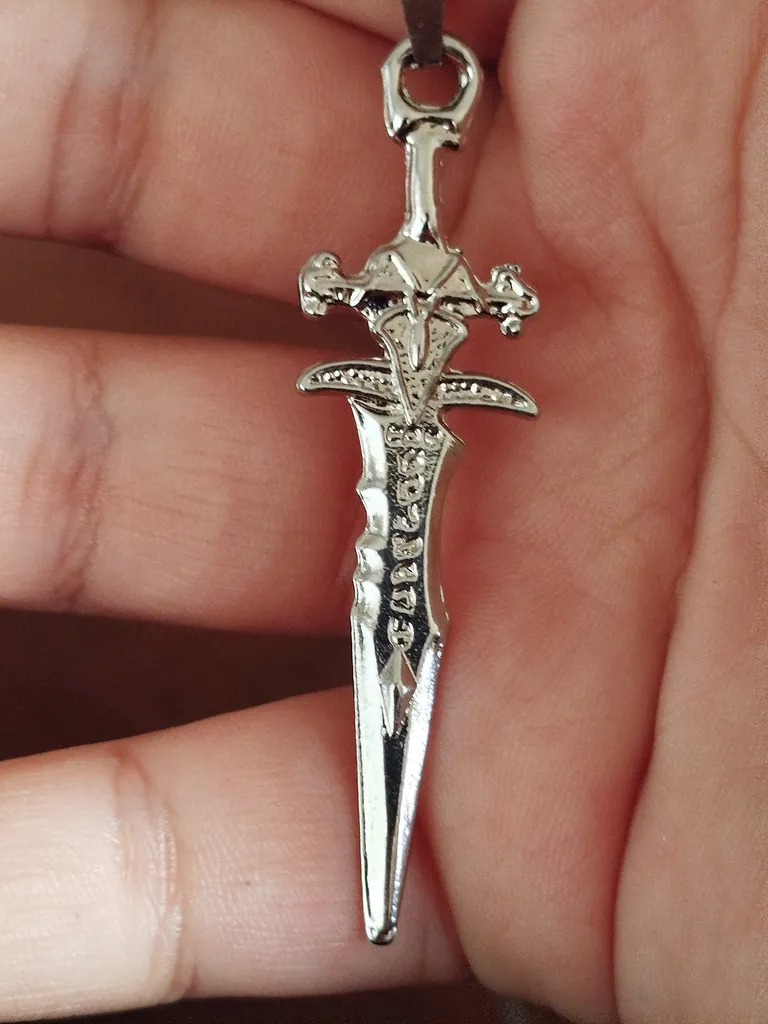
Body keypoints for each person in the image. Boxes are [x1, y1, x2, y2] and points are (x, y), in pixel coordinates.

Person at [0, 1, 764, 1021]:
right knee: (393, 611)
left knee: (408, 618)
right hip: (404, 419)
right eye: (400, 319)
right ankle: (380, 884)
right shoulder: (401, 285)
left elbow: (481, 304)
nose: (413, 335)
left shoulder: (445, 288)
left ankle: (383, 884)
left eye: (431, 321)